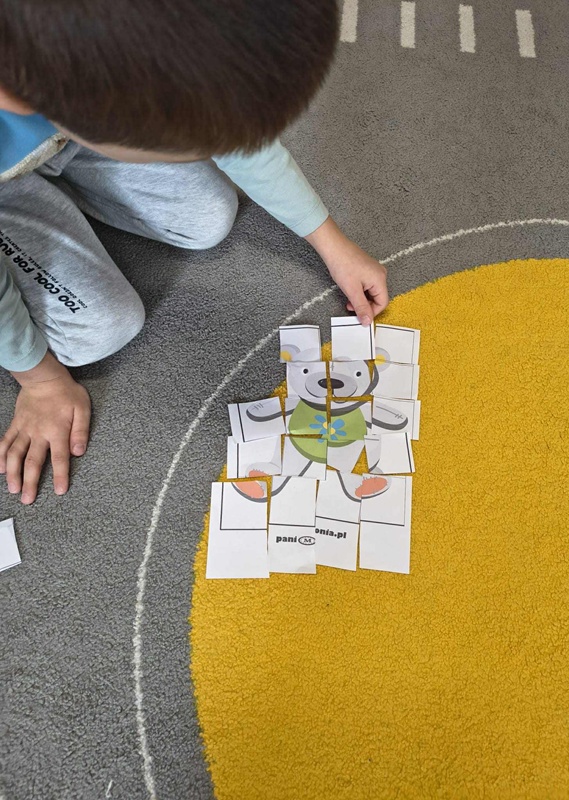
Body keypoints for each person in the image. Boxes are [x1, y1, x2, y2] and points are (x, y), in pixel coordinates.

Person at [0, 0, 389, 505]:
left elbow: (231, 120)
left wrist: (330, 241)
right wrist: (40, 380)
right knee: (103, 328)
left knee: (208, 214)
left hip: (65, 119)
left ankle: (68, 163)